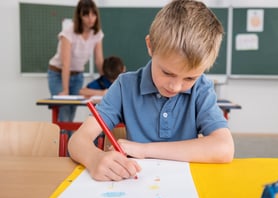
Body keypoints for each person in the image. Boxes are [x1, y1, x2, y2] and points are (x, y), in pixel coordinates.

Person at [68, 0, 234, 181]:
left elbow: (224, 148)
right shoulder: (125, 86)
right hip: (135, 183)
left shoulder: (201, 89)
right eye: (167, 72)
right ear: (150, 46)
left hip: (184, 184)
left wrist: (144, 149)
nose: (175, 86)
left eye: (189, 78)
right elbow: (78, 141)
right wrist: (94, 159)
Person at [47, 0, 104, 125]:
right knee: (65, 113)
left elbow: (99, 60)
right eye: (86, 15)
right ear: (79, 16)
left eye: (93, 14)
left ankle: (67, 142)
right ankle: (63, 142)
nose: (91, 18)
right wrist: (65, 89)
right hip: (58, 74)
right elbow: (65, 64)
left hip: (78, 76)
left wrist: (105, 82)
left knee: (71, 112)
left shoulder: (97, 34)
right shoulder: (68, 33)